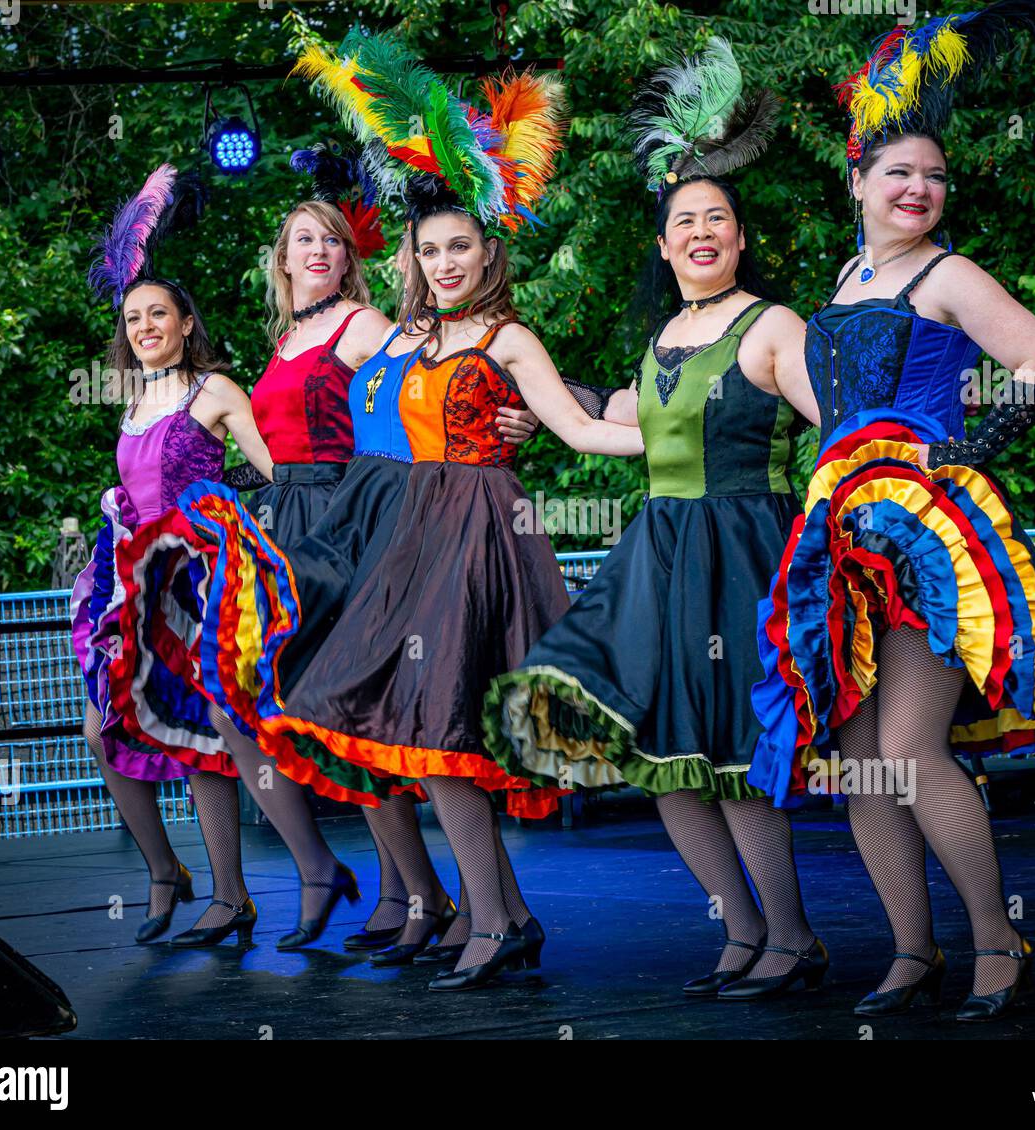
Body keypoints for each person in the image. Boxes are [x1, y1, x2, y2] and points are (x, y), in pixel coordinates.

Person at [225, 31, 644, 990]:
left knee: (445, 731)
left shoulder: (506, 332)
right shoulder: (405, 335)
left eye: (461, 246)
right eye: (431, 248)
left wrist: (665, 425)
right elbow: (355, 420)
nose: (446, 259)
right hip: (400, 535)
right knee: (419, 731)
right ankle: (496, 917)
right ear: (412, 256)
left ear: (486, 251)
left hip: (475, 536)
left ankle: (495, 921)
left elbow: (578, 422)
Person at [748, 2, 1035, 1021]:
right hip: (840, 533)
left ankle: (996, 940)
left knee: (913, 749)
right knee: (861, 759)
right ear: (857, 184)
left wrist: (959, 449)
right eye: (898, 174)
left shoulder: (949, 274)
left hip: (925, 537)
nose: (918, 188)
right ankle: (912, 953)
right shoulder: (844, 280)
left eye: (932, 176)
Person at [485, 38, 827, 1001]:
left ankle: (795, 937)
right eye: (686, 222)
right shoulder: (662, 341)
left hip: (746, 550)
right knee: (664, 758)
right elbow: (609, 430)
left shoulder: (773, 328)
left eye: (718, 218)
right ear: (666, 245)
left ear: (740, 239)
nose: (703, 232)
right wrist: (527, 398)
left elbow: (838, 428)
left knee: (729, 755)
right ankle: (742, 931)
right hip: (662, 558)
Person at [73, 165, 270, 945]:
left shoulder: (213, 390)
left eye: (158, 313)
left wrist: (212, 518)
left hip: (192, 580)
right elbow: (137, 481)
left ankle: (231, 894)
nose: (144, 325)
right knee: (102, 730)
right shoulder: (131, 399)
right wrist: (114, 507)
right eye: (133, 317)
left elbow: (270, 467)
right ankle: (165, 869)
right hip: (129, 579)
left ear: (187, 322)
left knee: (201, 739)